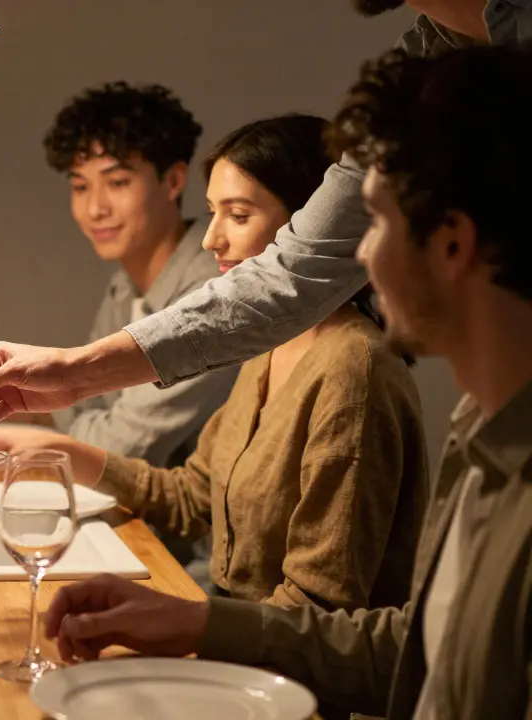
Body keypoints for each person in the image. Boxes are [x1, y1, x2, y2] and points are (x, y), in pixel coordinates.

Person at [42, 44, 532, 720]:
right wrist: (188, 621)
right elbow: (417, 650)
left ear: (452, 243)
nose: (354, 254)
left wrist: (196, 626)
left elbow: (338, 618)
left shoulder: (360, 372)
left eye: (376, 222)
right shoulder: (478, 436)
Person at [0, 0, 532, 435]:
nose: (214, 241)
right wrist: (75, 372)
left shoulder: (356, 365)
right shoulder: (425, 64)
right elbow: (294, 270)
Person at [0, 115, 428, 612]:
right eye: (213, 213)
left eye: (237, 216)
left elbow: (318, 609)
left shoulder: (352, 370)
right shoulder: (277, 345)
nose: (209, 239)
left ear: (308, 231)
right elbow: (192, 495)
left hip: (285, 677)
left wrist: (183, 621)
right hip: (242, 642)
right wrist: (45, 445)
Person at [39, 82, 235, 469]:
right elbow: (83, 398)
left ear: (173, 181)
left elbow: (117, 449)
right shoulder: (125, 283)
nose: (95, 208)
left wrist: (57, 412)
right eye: (80, 186)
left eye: (118, 183)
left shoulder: (213, 284)